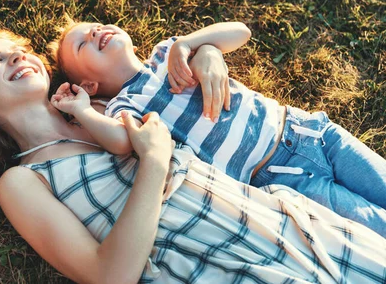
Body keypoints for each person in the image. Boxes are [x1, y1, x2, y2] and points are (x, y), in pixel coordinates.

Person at [0, 28, 386, 283]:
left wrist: (204, 51)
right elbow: (109, 275)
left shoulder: (105, 110)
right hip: (221, 265)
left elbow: (180, 89)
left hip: (291, 222)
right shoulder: (22, 182)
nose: (19, 58)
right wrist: (155, 164)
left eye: (19, 50)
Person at [50, 20, 386, 236]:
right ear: (90, 85)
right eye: (82, 43)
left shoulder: (167, 53)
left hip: (311, 132)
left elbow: (241, 32)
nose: (95, 32)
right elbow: (122, 142)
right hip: (280, 177)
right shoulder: (125, 107)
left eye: (95, 25)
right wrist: (83, 110)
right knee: (376, 228)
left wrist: (189, 44)